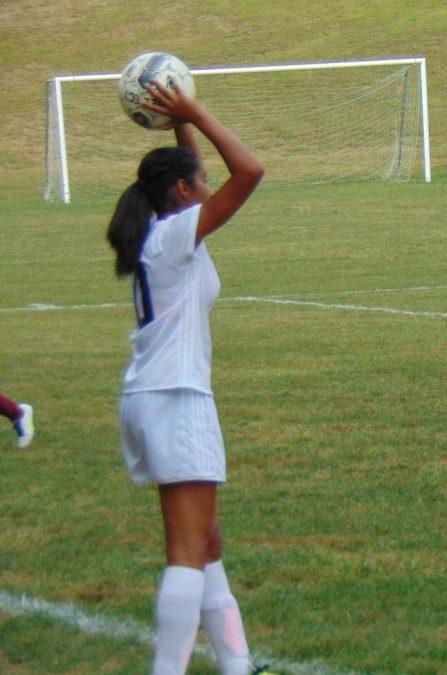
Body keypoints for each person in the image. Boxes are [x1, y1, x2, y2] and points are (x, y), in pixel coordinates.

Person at [106, 80, 268, 674]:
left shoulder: (167, 232)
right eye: (197, 183)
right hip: (175, 398)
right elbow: (248, 171)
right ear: (182, 193)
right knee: (186, 551)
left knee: (208, 544)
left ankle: (238, 665)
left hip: (153, 397)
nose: (207, 185)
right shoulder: (175, 235)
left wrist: (179, 124)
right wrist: (194, 108)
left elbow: (197, 168)